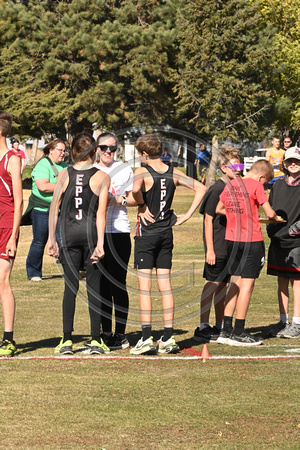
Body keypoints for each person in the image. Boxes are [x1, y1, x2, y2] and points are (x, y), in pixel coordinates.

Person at [130, 134, 207, 355]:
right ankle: (168, 337)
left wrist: (142, 205)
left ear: (144, 154)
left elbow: (135, 191)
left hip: (146, 234)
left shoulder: (142, 172)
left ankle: (145, 338)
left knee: (145, 288)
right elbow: (201, 189)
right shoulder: (174, 172)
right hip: (166, 233)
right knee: (166, 285)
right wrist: (188, 215)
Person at [47, 133, 110, 355]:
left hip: (69, 236)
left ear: (74, 152)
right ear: (94, 152)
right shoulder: (102, 176)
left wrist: (52, 239)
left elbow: (54, 208)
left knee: (70, 288)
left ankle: (66, 340)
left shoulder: (65, 173)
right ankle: (95, 340)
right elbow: (101, 213)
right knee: (94, 288)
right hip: (91, 236)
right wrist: (101, 243)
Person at [216, 160, 280, 346]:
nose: (264, 186)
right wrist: (276, 218)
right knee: (247, 285)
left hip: (232, 239)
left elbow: (219, 209)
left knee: (234, 282)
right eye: (265, 182)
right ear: (261, 176)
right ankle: (239, 331)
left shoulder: (231, 184)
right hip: (251, 240)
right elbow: (269, 214)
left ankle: (225, 330)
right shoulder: (255, 186)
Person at [193, 146, 243, 343]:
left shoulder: (236, 187)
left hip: (231, 243)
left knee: (223, 285)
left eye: (240, 165)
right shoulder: (217, 189)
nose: (238, 169)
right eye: (234, 166)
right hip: (218, 245)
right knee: (212, 284)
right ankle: (203, 326)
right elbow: (207, 220)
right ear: (224, 168)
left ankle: (220, 324)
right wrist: (210, 250)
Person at [93, 132, 136, 350]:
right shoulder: (91, 170)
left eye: (112, 148)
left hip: (119, 231)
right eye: (104, 148)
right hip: (96, 233)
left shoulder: (125, 169)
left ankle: (120, 333)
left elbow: (135, 198)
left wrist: (120, 199)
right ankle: (104, 332)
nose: (108, 152)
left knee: (118, 284)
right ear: (97, 148)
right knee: (100, 285)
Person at [266, 147, 300, 338]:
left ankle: (297, 322)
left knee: (297, 282)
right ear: (284, 164)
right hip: (278, 240)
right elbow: (271, 209)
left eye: (297, 160)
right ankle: (283, 320)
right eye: (290, 161)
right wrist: (271, 228)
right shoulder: (277, 184)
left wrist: (294, 230)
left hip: (297, 241)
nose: (293, 164)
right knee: (281, 281)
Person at [25, 139, 68, 281]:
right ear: (51, 150)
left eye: (64, 150)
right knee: (39, 240)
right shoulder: (42, 164)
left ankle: (69, 270)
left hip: (60, 209)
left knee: (63, 241)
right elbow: (43, 186)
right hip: (41, 209)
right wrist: (63, 187)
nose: (62, 153)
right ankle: (34, 272)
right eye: (60, 150)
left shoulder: (64, 166)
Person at [0, 112, 23, 357]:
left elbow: (19, 200)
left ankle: (8, 339)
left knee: (2, 282)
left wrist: (13, 236)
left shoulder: (12, 159)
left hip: (5, 225)